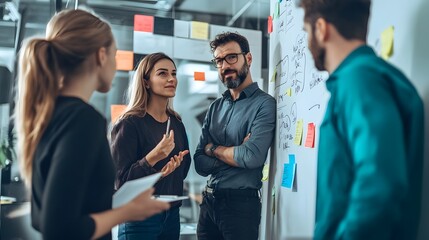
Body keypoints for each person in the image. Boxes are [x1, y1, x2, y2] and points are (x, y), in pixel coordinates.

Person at [15, 9, 169, 240]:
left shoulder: (49, 114)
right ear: (101, 56)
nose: (116, 65)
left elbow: (44, 217)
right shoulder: (83, 120)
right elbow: (59, 228)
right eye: (115, 54)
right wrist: (128, 211)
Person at [298, 0, 424, 239]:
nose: (308, 42)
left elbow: (380, 184)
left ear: (321, 28)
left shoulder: (359, 80)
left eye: (306, 31)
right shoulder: (368, 76)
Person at [194, 32, 276, 240]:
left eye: (231, 57)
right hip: (208, 204)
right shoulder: (215, 108)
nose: (224, 66)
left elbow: (251, 157)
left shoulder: (264, 104)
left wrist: (214, 149)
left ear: (247, 58)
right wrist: (234, 153)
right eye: (219, 60)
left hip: (240, 207)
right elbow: (200, 163)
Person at [110, 52, 191, 240]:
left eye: (174, 73)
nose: (171, 79)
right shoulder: (129, 123)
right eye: (162, 73)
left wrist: (172, 167)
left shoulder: (176, 123)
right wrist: (152, 157)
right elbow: (120, 184)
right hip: (140, 219)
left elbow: (183, 171)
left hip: (171, 216)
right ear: (146, 82)